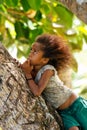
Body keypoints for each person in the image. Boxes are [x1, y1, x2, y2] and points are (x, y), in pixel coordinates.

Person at [19, 33, 87, 130]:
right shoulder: (32, 69)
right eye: (31, 50)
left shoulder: (48, 70)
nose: (30, 53)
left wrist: (27, 74)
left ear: (45, 60)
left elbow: (37, 92)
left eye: (35, 52)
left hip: (75, 105)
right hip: (63, 113)